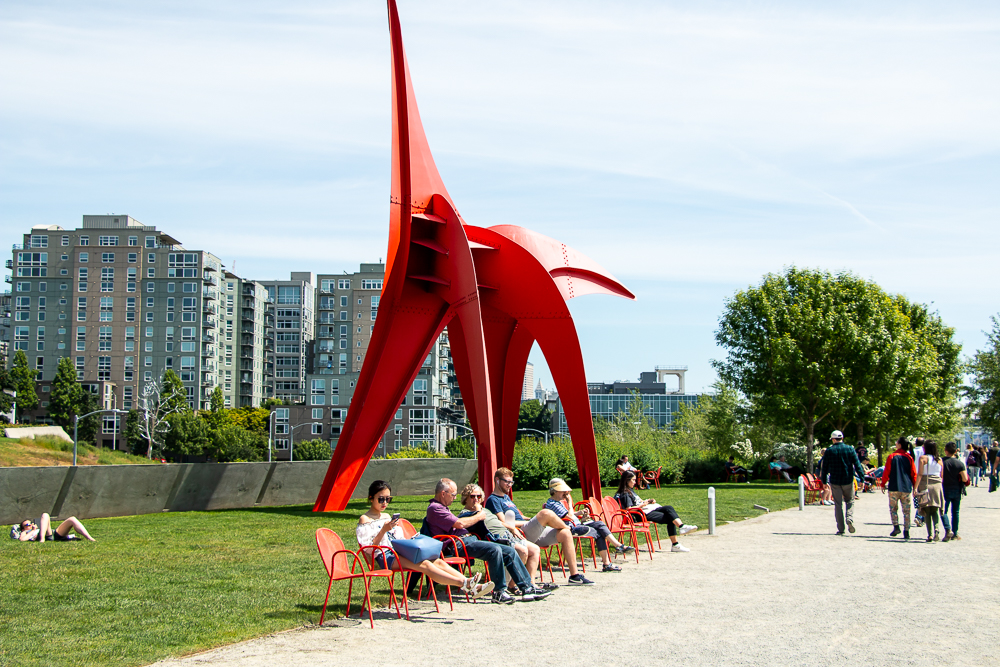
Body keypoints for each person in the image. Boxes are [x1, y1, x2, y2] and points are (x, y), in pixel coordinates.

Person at [355, 480, 493, 600]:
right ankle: (465, 584)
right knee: (425, 565)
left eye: (388, 499)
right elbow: (369, 548)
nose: (385, 503)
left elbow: (397, 539)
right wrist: (384, 530)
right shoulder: (365, 519)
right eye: (381, 499)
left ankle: (470, 584)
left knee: (437, 561)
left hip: (398, 551)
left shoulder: (385, 516)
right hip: (384, 556)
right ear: (371, 498)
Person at [425, 478, 552, 604]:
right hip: (458, 544)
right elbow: (459, 524)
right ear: (443, 493)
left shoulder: (442, 507)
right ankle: (499, 592)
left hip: (468, 540)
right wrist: (479, 515)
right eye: (452, 494)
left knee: (509, 551)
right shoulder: (435, 508)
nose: (454, 498)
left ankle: (527, 588)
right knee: (494, 549)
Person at [484, 467, 594, 586]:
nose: (509, 485)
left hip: (527, 531)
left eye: (511, 482)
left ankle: (574, 576)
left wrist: (530, 519)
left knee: (565, 534)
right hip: (516, 533)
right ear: (497, 480)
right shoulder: (493, 500)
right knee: (545, 513)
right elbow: (504, 522)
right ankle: (572, 528)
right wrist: (532, 521)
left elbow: (520, 517)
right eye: (506, 481)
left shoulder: (506, 498)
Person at [457, 484, 558, 592]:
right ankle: (507, 585)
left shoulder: (485, 510)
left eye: (479, 496)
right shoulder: (466, 514)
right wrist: (478, 511)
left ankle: (530, 584)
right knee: (523, 551)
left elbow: (497, 522)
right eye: (472, 496)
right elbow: (468, 525)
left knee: (535, 549)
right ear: (465, 498)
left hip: (508, 534)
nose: (476, 499)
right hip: (496, 539)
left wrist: (512, 528)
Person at [543, 478, 632, 571]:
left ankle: (610, 559)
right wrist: (569, 503)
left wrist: (580, 513)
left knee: (599, 527)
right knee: (599, 528)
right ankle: (615, 550)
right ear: (555, 491)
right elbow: (569, 516)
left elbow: (566, 515)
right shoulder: (553, 503)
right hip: (570, 528)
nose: (565, 493)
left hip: (576, 525)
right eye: (563, 491)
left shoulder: (557, 502)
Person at [614, 471, 696, 552]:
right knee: (671, 519)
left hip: (646, 510)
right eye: (633, 480)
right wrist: (642, 505)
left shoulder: (630, 490)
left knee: (669, 508)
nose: (635, 482)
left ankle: (681, 527)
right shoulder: (625, 493)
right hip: (641, 515)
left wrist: (648, 501)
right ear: (627, 480)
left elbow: (638, 501)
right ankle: (676, 543)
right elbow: (629, 509)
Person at [819, 430, 866, 535]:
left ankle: (841, 529)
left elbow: (825, 467)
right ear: (842, 438)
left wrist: (824, 481)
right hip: (848, 479)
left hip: (835, 480)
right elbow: (857, 465)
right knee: (850, 501)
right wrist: (862, 479)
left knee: (838, 504)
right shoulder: (850, 449)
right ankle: (849, 518)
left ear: (833, 439)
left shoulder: (829, 451)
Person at [880, 436, 916, 539]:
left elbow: (887, 471)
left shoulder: (892, 456)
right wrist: (915, 486)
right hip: (906, 487)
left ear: (899, 445)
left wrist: (883, 483)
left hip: (894, 486)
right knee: (907, 510)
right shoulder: (909, 457)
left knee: (893, 508)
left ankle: (896, 526)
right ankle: (906, 530)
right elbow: (913, 474)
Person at [913, 440, 945, 542]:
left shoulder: (923, 458)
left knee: (926, 510)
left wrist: (915, 488)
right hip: (937, 486)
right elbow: (941, 476)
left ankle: (930, 535)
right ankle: (937, 528)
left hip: (925, 484)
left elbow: (920, 474)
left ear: (925, 448)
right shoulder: (939, 460)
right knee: (935, 509)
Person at [940, 442, 970, 542]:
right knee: (955, 512)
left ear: (946, 450)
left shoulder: (941, 462)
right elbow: (965, 479)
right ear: (956, 451)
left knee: (943, 511)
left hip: (944, 489)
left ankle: (948, 529)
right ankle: (955, 533)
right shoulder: (960, 463)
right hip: (957, 489)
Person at [11, 513, 95, 542]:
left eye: (30, 523)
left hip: (53, 533)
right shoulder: (24, 532)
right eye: (27, 525)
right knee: (45, 515)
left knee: (72, 519)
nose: (30, 525)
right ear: (23, 528)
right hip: (46, 536)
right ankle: (42, 539)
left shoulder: (37, 529)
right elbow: (22, 539)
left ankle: (89, 538)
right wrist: (33, 531)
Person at [912, 437, 926, 527]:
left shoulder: (911, 451)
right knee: (923, 496)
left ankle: (919, 515)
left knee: (916, 495)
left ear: (915, 443)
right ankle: (920, 516)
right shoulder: (925, 452)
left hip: (913, 475)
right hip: (923, 475)